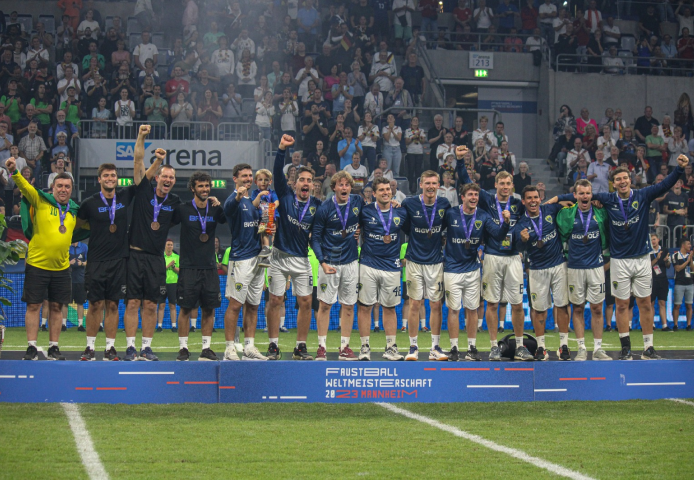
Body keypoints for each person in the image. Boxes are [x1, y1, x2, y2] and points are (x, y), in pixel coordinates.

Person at [550, 154, 690, 360]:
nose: (622, 182)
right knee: (622, 304)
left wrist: (679, 169)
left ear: (630, 180)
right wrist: (557, 199)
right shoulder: (607, 199)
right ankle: (625, 348)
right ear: (613, 184)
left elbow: (664, 186)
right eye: (618, 180)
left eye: (625, 178)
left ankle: (648, 348)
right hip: (618, 260)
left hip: (642, 258)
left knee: (644, 303)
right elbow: (581, 196)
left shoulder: (643, 195)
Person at [456, 146, 527, 360]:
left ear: (512, 185)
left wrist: (522, 246)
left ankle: (520, 345)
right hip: (492, 256)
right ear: (495, 185)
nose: (505, 187)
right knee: (492, 303)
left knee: (516, 303)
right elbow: (465, 180)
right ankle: (494, 346)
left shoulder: (518, 203)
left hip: (514, 257)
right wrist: (460, 161)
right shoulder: (487, 200)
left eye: (508, 184)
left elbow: (532, 216)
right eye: (501, 183)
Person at [6, 155, 77, 361]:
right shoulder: (41, 200)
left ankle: (54, 347)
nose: (63, 189)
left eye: (67, 186)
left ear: (71, 190)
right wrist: (14, 171)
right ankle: (31, 347)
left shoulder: (74, 211)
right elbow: (26, 188)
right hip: (37, 265)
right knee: (33, 306)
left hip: (62, 268)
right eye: (59, 186)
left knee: (56, 307)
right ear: (52, 188)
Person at [122, 125, 180, 361]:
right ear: (157, 178)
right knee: (133, 302)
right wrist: (142, 136)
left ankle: (146, 348)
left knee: (150, 304)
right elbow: (138, 160)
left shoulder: (174, 201)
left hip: (157, 259)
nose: (168, 180)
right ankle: (129, 347)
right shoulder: (143, 191)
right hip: (135, 255)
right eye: (165, 176)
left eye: (172, 178)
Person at [267, 134, 322, 361]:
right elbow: (278, 170)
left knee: (306, 302)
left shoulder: (318, 206)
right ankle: (272, 346)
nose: (306, 183)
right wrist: (281, 149)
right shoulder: (285, 195)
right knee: (275, 301)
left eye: (309, 180)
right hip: (279, 256)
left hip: (301, 259)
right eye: (302, 180)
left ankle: (300, 347)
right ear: (295, 182)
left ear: (313, 184)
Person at [75, 163, 137, 360]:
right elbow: (76, 227)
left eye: (113, 175)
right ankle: (90, 348)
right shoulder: (89, 203)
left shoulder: (124, 197)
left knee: (112, 305)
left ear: (116, 178)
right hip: (96, 261)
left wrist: (155, 159)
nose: (110, 178)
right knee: (94, 305)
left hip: (119, 261)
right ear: (99, 179)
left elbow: (142, 178)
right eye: (106, 175)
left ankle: (110, 348)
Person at [172, 172, 226, 362]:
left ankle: (206, 348)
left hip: (209, 267)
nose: (205, 189)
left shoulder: (215, 209)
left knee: (209, 309)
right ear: (192, 188)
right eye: (201, 186)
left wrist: (222, 205)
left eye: (207, 186)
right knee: (185, 309)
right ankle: (183, 348)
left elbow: (228, 219)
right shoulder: (183, 209)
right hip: (188, 267)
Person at [555, 179, 611, 361]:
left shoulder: (601, 212)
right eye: (581, 193)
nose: (585, 196)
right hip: (575, 267)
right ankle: (581, 348)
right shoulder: (567, 214)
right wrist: (560, 199)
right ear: (576, 195)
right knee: (577, 308)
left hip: (596, 267)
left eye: (588, 193)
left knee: (596, 308)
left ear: (591, 194)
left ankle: (598, 349)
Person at [311, 171, 363, 360]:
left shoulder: (357, 202)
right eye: (340, 185)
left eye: (347, 185)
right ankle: (321, 348)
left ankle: (344, 348)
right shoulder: (324, 209)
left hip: (350, 262)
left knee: (348, 306)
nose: (344, 188)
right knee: (324, 306)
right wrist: (322, 262)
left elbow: (370, 218)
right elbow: (315, 238)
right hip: (330, 263)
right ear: (333, 188)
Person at [222, 163, 272, 361]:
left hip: (257, 259)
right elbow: (229, 206)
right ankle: (230, 348)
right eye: (244, 176)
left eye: (250, 176)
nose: (248, 179)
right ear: (235, 178)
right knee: (235, 304)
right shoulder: (233, 201)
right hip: (241, 260)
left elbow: (260, 228)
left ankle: (249, 347)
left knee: (253, 305)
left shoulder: (254, 202)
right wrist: (237, 194)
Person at [399, 171, 450, 361]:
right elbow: (405, 227)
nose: (430, 186)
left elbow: (446, 226)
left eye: (434, 183)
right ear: (421, 184)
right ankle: (413, 348)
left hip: (435, 262)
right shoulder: (410, 203)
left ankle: (435, 347)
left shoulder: (444, 204)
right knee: (414, 304)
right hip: (414, 261)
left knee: (436, 305)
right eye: (427, 183)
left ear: (439, 185)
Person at [517, 186, 571, 360]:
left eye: (536, 197)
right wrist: (522, 241)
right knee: (539, 310)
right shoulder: (521, 224)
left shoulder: (550, 209)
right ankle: (541, 348)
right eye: (529, 198)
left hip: (558, 265)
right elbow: (516, 248)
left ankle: (564, 346)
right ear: (524, 201)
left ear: (540, 199)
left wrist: (557, 198)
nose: (533, 201)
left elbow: (575, 196)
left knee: (562, 305)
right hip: (537, 269)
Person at [356, 177, 408, 361]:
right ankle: (364, 348)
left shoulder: (401, 212)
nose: (386, 192)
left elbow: (414, 234)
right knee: (364, 307)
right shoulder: (365, 211)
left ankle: (391, 348)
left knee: (390, 308)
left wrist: (407, 255)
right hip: (368, 264)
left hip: (392, 266)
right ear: (374, 193)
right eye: (382, 190)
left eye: (388, 189)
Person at [650, 233, 672, 332]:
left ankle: (664, 325)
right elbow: (648, 265)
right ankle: (651, 324)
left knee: (662, 302)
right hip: (652, 279)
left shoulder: (664, 250)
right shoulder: (648, 251)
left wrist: (667, 261)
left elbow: (667, 266)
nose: (653, 241)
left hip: (662, 279)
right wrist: (657, 258)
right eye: (651, 240)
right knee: (651, 303)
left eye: (654, 239)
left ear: (658, 239)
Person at [156, 239, 179, 332]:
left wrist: (173, 267)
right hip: (162, 283)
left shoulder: (177, 257)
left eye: (171, 245)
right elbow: (158, 270)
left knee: (172, 305)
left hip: (173, 283)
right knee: (161, 305)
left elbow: (179, 270)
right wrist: (168, 265)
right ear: (165, 246)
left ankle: (174, 326)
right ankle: (159, 326)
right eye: (168, 245)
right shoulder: (161, 257)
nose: (170, 246)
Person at [672, 238, 693, 333]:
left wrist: (691, 259)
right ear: (683, 245)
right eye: (688, 244)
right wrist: (687, 261)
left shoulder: (690, 256)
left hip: (690, 283)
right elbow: (678, 269)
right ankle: (675, 325)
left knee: (689, 305)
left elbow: (692, 269)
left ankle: (688, 325)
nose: (690, 246)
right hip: (679, 283)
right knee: (677, 305)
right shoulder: (675, 255)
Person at [68, 241, 88, 333]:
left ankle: (80, 325)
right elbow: (61, 261)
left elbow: (89, 261)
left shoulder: (84, 247)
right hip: (68, 279)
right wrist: (69, 263)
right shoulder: (67, 247)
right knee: (65, 303)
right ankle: (63, 325)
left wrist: (82, 263)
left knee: (80, 303)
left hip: (81, 280)